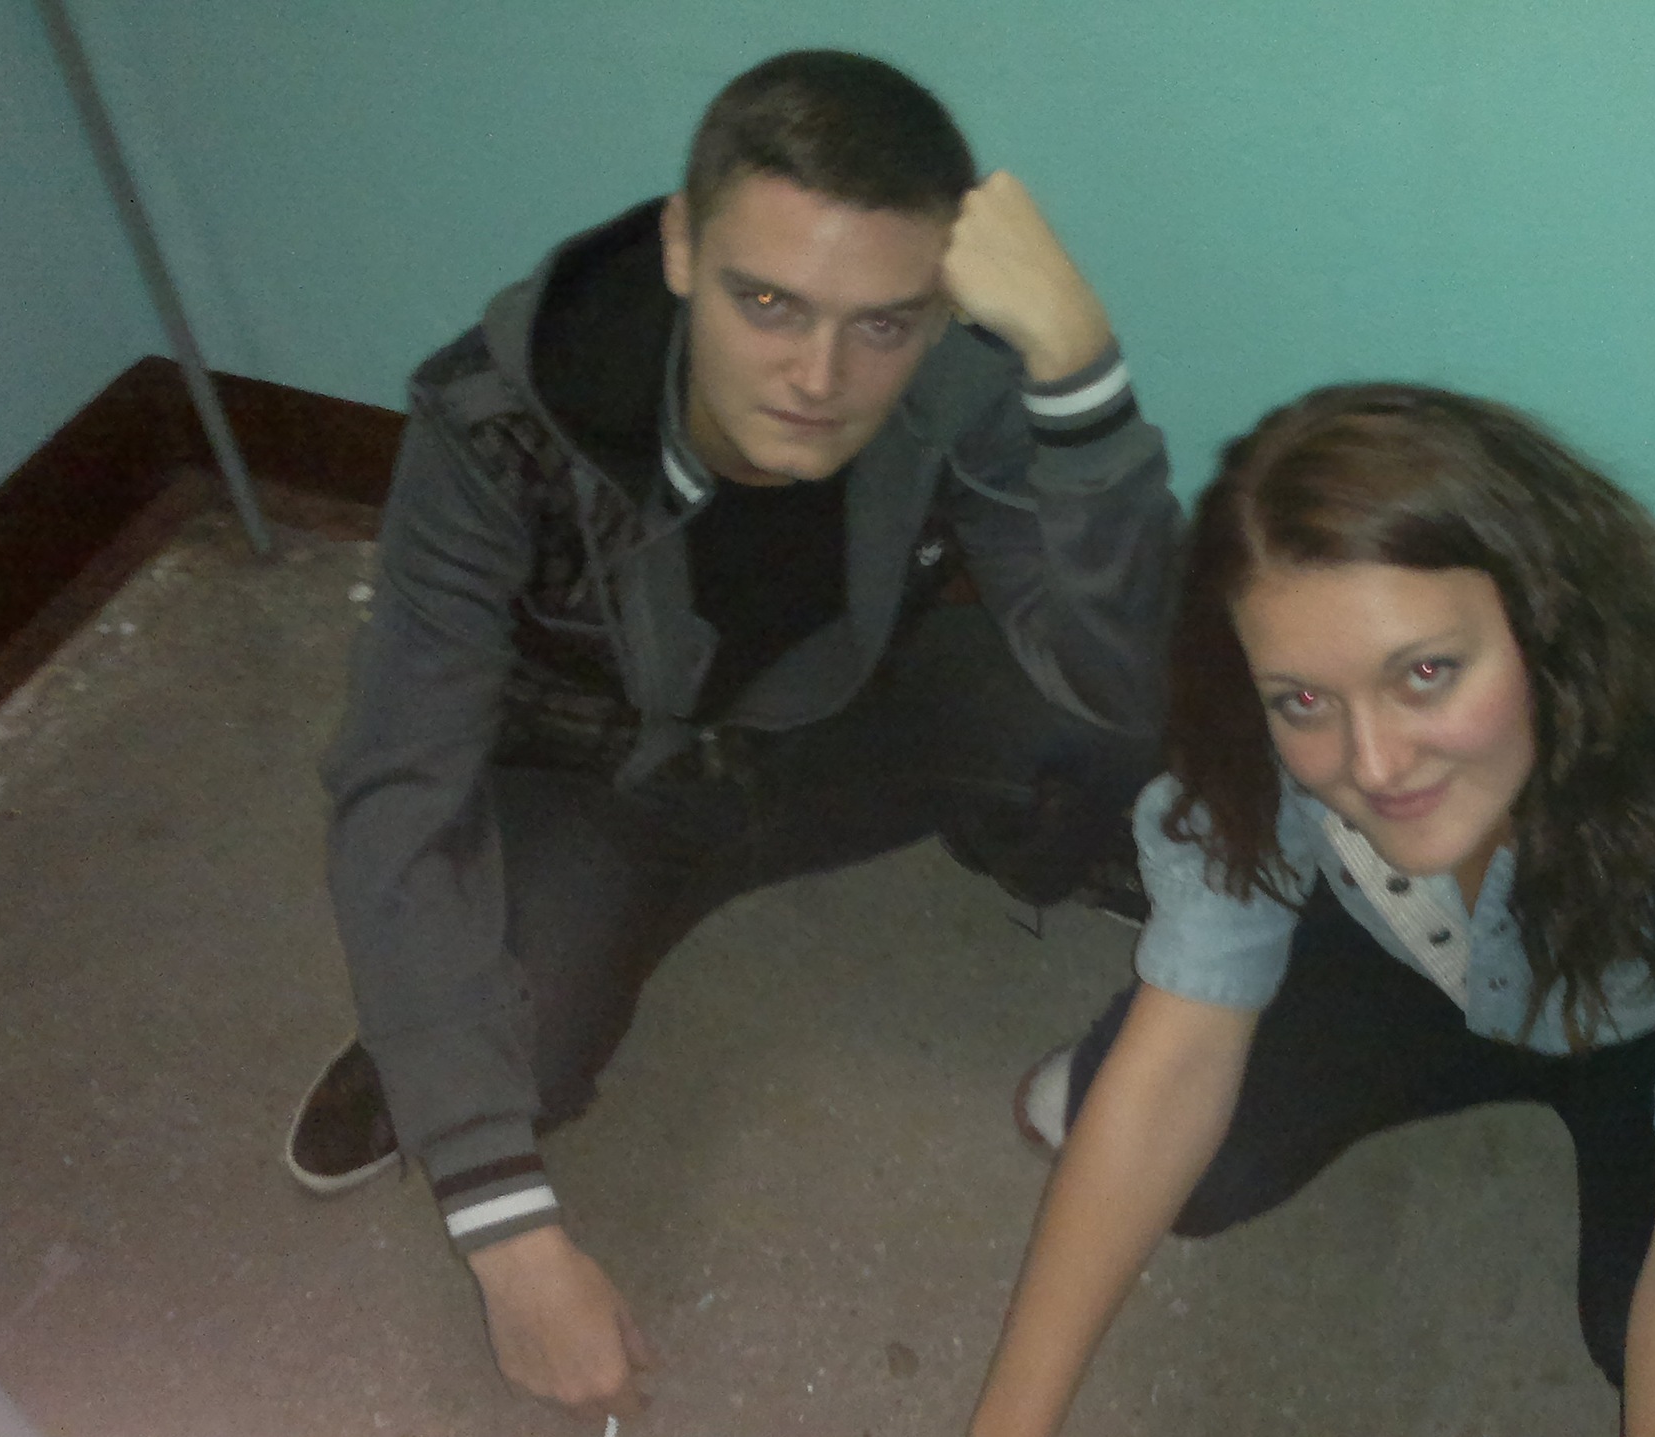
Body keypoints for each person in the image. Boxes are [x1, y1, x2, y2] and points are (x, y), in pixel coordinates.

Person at [285, 50, 1178, 1420]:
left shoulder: (964, 377)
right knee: (495, 1080)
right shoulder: (497, 426)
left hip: (833, 730)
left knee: (1099, 733)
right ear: (681, 247)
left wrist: (1083, 376)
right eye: (768, 302)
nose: (820, 377)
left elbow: (1128, 680)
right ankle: (435, 1030)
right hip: (596, 786)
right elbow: (402, 780)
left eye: (883, 324)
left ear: (941, 305)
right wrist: (503, 1228)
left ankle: (1029, 840)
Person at [967, 385, 1655, 1436]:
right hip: (1409, 954)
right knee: (1159, 1143)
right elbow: (1184, 1048)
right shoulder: (1272, 665)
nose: (1373, 764)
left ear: (1543, 620)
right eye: (1305, 701)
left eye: (1425, 672)